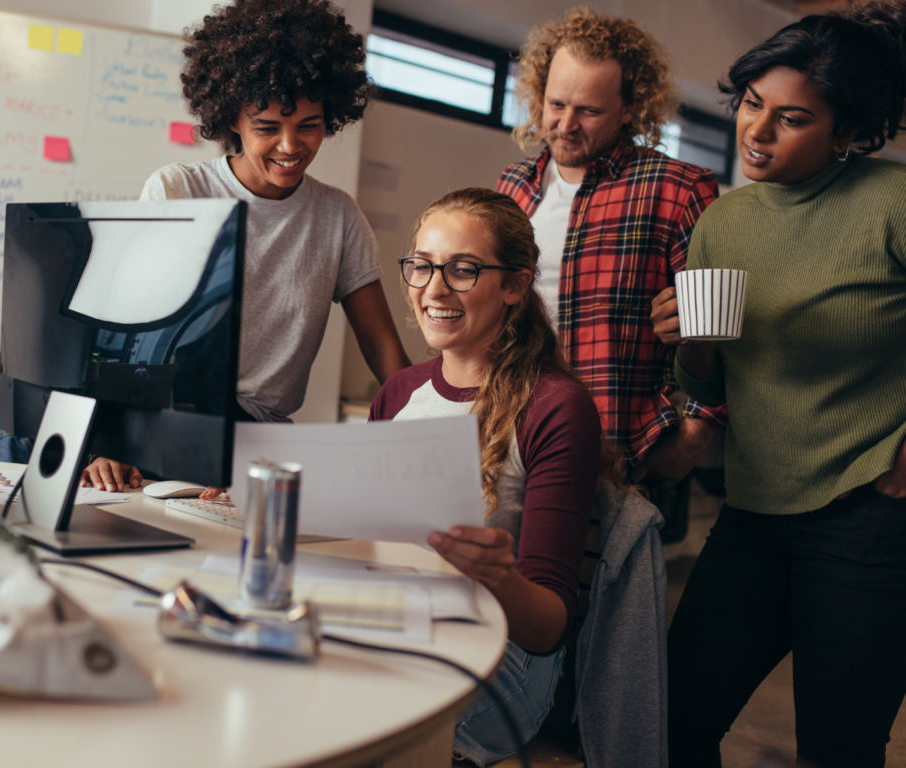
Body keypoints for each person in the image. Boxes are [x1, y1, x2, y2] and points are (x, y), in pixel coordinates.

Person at [651, 4, 906, 765]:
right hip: (753, 509)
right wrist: (692, 339)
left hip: (868, 516)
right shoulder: (723, 224)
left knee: (838, 746)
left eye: (791, 117)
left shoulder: (890, 203)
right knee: (671, 717)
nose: (756, 131)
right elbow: (705, 382)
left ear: (847, 130)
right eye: (752, 105)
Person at [82, 0, 410, 493]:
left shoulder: (339, 217)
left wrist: (423, 431)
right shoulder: (178, 191)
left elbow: (382, 346)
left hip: (261, 444)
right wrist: (107, 438)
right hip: (166, 428)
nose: (289, 146)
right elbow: (127, 331)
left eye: (309, 125)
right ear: (231, 116)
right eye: (267, 127)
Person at [369, 187, 608, 766]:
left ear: (515, 286)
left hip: (501, 654)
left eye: (463, 270)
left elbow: (548, 627)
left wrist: (496, 575)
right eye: (422, 267)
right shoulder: (399, 391)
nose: (433, 290)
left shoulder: (555, 405)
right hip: (398, 624)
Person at [497, 6, 726, 492]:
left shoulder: (678, 189)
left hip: (619, 448)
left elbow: (723, 324)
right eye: (556, 105)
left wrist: (699, 429)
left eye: (589, 111)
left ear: (629, 110)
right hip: (513, 432)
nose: (565, 124)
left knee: (597, 570)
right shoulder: (513, 186)